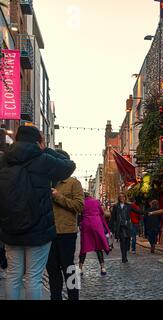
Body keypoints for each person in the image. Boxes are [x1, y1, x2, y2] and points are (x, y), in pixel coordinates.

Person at [0, 126, 75, 300]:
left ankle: (73, 295)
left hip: (13, 227)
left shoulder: (5, 160)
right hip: (40, 228)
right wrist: (45, 149)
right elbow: (69, 166)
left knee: (13, 274)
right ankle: (63, 295)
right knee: (34, 276)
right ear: (38, 142)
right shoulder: (43, 159)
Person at [46, 149, 84, 301]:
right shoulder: (46, 181)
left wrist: (58, 196)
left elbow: (79, 206)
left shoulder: (73, 183)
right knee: (52, 270)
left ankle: (74, 297)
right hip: (48, 233)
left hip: (66, 233)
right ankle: (55, 297)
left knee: (70, 268)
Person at [79, 193, 111, 276]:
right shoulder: (96, 202)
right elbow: (101, 212)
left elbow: (81, 214)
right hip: (96, 223)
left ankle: (80, 268)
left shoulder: (82, 202)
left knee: (84, 246)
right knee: (98, 246)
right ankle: (103, 268)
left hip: (86, 224)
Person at [109, 193, 146, 263]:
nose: (122, 198)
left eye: (123, 197)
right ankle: (124, 257)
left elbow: (137, 211)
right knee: (122, 241)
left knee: (127, 241)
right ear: (119, 198)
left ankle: (125, 254)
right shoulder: (116, 206)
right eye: (120, 197)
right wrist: (110, 228)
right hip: (120, 227)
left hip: (127, 226)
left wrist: (147, 213)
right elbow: (113, 217)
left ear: (125, 198)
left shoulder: (129, 206)